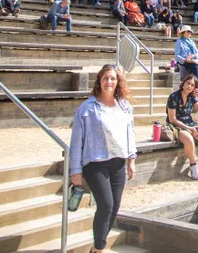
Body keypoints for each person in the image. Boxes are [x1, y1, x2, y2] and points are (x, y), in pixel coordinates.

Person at [69, 65, 136, 253]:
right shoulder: (86, 108)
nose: (109, 82)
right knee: (105, 205)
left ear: (118, 82)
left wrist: (131, 159)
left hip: (117, 163)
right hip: (95, 164)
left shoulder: (124, 106)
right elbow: (76, 142)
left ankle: (96, 247)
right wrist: (75, 171)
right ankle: (100, 247)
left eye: (113, 78)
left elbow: (130, 133)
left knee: (114, 207)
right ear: (99, 80)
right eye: (105, 78)